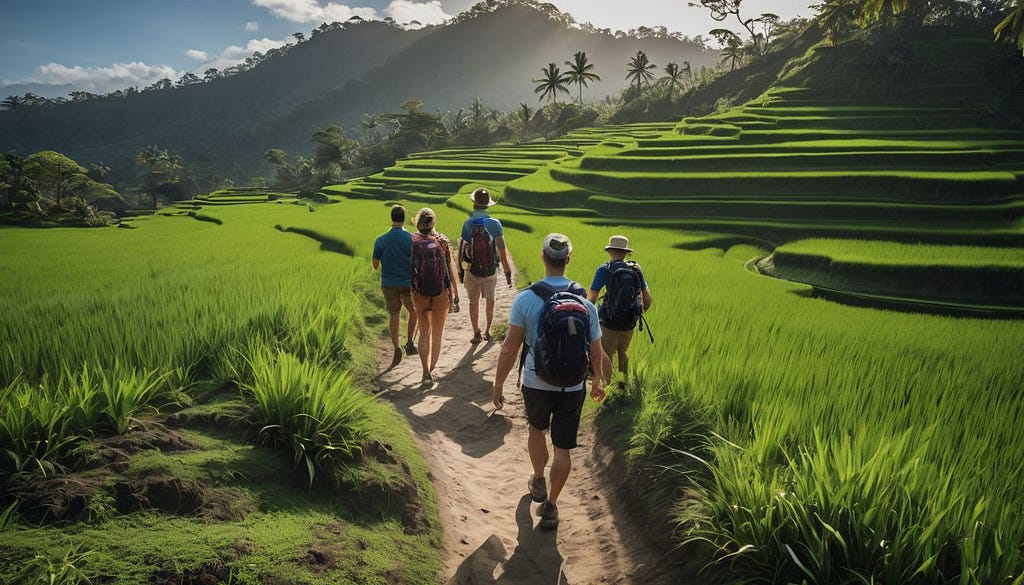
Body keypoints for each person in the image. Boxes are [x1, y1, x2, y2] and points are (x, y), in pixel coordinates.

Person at [492, 233, 604, 529]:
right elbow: (596, 350)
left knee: (536, 429)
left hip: (535, 381)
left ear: (543, 257)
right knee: (563, 449)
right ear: (568, 259)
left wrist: (498, 383)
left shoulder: (526, 298)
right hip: (573, 385)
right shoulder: (585, 303)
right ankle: (552, 505)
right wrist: (598, 383)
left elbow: (509, 346)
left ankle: (539, 480)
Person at [587, 235, 653, 377]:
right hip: (629, 324)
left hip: (608, 323)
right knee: (623, 356)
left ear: (610, 251)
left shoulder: (604, 270)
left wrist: (590, 322)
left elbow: (591, 299)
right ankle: (623, 389)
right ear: (625, 252)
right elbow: (648, 299)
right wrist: (635, 315)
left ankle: (607, 392)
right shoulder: (635, 269)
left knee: (606, 358)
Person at [410, 207, 460, 384]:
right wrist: (454, 293)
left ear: (416, 221)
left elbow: (410, 269)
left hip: (420, 294)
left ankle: (425, 373)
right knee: (437, 333)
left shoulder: (412, 241)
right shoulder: (442, 241)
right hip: (440, 293)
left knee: (424, 332)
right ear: (433, 223)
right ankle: (432, 369)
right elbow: (450, 271)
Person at [458, 187, 513, 344]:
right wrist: (508, 273)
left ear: (473, 204)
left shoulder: (468, 224)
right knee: (490, 301)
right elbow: (502, 251)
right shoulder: (495, 224)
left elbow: (464, 249)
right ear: (488, 205)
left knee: (473, 302)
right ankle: (488, 332)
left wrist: (461, 272)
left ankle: (476, 332)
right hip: (490, 272)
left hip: (473, 271)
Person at [372, 204, 417, 367]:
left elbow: (375, 265)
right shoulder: (411, 238)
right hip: (407, 283)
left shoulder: (381, 240)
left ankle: (396, 347)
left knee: (394, 315)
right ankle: (410, 342)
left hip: (388, 284)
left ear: (392, 218)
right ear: (404, 219)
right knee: (414, 310)